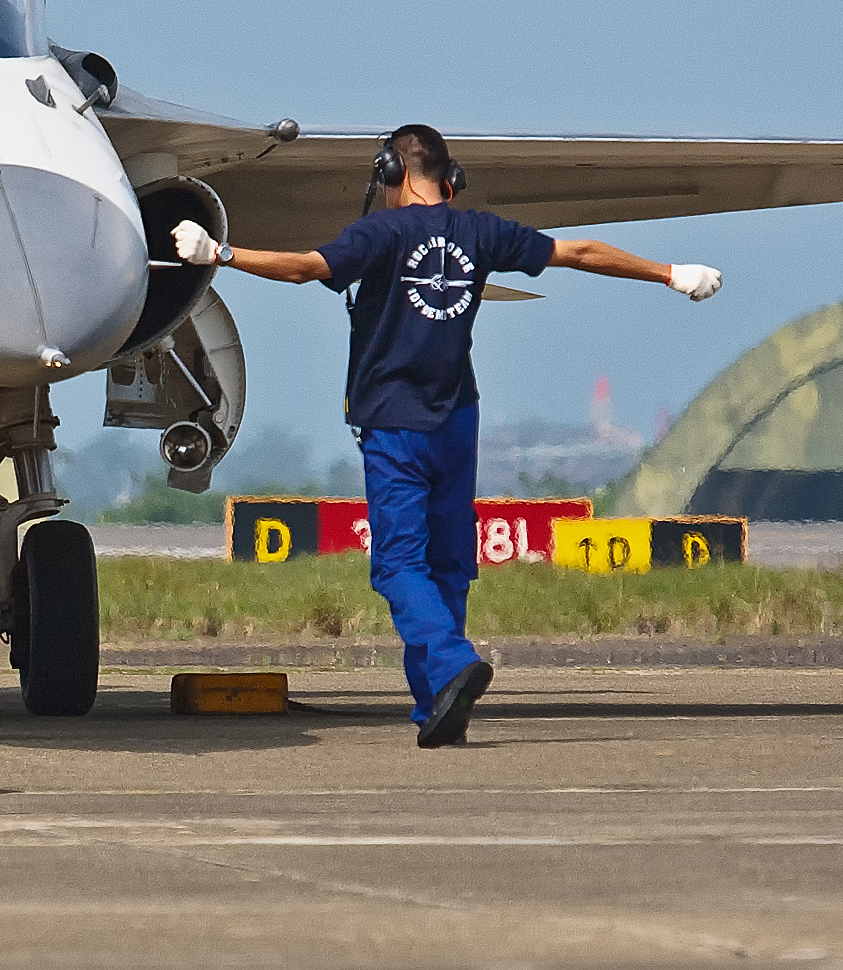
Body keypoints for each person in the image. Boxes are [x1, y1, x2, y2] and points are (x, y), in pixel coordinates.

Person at [171, 124, 722, 747]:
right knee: (451, 564)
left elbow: (305, 269)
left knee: (400, 565)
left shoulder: (382, 233)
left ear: (392, 173)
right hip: (459, 419)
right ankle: (439, 706)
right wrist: (671, 272)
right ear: (448, 177)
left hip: (395, 425)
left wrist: (218, 253)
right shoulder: (481, 232)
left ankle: (453, 663)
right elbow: (582, 254)